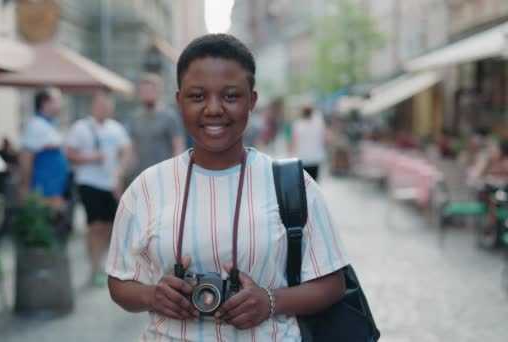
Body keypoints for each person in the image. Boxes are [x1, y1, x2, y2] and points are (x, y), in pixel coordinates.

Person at [106, 34, 348, 341]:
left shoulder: (292, 185)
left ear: (252, 101)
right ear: (179, 101)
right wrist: (152, 296)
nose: (214, 109)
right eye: (197, 96)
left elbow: (332, 282)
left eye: (231, 96)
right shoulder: (146, 189)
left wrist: (271, 301)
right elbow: (119, 280)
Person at [66, 91, 132, 287]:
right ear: (94, 106)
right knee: (95, 226)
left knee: (107, 226)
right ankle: (95, 267)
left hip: (110, 184)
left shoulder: (116, 128)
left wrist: (120, 173)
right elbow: (69, 154)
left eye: (108, 106)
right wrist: (92, 158)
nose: (105, 109)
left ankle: (101, 263)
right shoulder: (81, 127)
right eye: (102, 106)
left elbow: (127, 151)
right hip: (88, 183)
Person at [125, 73, 186, 179]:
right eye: (143, 91)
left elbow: (179, 147)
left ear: (158, 92)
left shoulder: (170, 117)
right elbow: (131, 151)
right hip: (140, 177)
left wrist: (176, 174)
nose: (146, 94)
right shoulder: (135, 118)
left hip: (164, 176)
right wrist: (121, 175)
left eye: (149, 90)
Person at [19, 87, 69, 211]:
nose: (61, 103)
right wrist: (26, 187)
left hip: (54, 188)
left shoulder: (49, 123)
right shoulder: (36, 125)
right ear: (45, 103)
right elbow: (26, 156)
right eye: (58, 99)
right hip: (43, 190)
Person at [289, 106, 326, 181]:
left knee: (304, 183)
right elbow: (324, 139)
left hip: (302, 157)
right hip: (315, 157)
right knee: (314, 181)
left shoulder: (298, 124)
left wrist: (291, 154)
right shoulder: (318, 124)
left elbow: (293, 141)